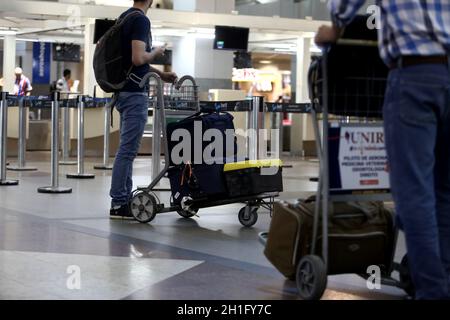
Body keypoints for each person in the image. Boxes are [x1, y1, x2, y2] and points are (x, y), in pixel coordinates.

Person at [316, 1, 450, 300]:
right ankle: (441, 280)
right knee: (445, 192)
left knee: (415, 195)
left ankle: (433, 292)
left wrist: (336, 27)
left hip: (415, 75)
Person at [109, 0, 177, 219]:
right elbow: (139, 58)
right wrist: (156, 52)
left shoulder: (125, 17)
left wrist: (161, 75)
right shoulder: (141, 20)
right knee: (127, 151)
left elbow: (135, 62)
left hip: (123, 92)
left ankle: (123, 199)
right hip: (134, 93)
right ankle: (119, 202)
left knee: (126, 150)